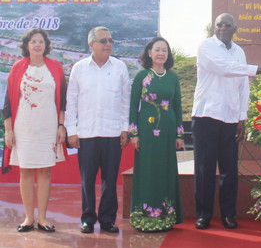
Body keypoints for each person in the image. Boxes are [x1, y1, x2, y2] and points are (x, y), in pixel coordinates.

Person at [193, 13, 261, 230]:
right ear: (214, 28)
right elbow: (225, 69)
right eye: (219, 24)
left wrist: (242, 118)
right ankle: (203, 215)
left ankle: (228, 215)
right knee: (204, 168)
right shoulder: (206, 47)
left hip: (230, 118)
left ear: (235, 29)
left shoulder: (239, 51)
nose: (223, 28)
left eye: (227, 25)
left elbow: (243, 86)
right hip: (206, 116)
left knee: (229, 170)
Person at [64, 26, 131, 234]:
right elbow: (71, 101)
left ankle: (108, 219)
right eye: (103, 41)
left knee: (110, 179)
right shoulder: (79, 68)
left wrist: (125, 128)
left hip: (112, 132)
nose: (108, 44)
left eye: (110, 40)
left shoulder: (120, 67)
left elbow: (125, 101)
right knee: (87, 180)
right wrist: (71, 130)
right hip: (87, 133)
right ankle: (87, 219)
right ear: (91, 44)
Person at [2, 28, 67, 232]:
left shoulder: (55, 67)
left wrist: (61, 125)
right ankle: (29, 218)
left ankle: (43, 218)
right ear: (27, 45)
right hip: (24, 127)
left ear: (46, 45)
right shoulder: (18, 68)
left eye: (41, 41)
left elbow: (62, 100)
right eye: (33, 41)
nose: (37, 45)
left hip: (48, 126)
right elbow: (7, 103)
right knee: (26, 170)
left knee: (45, 170)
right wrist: (8, 130)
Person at [128, 37, 184, 232]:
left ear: (168, 54)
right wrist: (133, 134)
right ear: (149, 53)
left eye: (164, 50)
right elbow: (133, 106)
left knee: (166, 170)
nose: (161, 53)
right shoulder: (141, 76)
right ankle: (144, 217)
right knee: (147, 170)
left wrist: (179, 135)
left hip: (168, 132)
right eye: (157, 50)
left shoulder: (173, 78)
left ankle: (166, 216)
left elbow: (177, 106)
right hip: (146, 132)